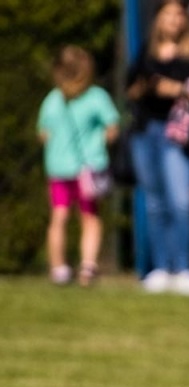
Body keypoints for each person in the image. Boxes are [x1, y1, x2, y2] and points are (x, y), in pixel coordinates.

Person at [126, 0, 189, 295]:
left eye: (179, 15)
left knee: (180, 201)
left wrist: (177, 89)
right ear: (158, 20)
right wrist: (147, 87)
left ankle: (184, 268)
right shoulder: (147, 52)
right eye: (169, 15)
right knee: (154, 202)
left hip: (179, 134)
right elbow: (132, 88)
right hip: (146, 130)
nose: (174, 20)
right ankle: (161, 268)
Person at [36, 46, 120, 287]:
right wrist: (97, 142)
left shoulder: (52, 99)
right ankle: (88, 267)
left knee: (59, 216)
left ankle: (58, 268)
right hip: (89, 168)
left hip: (58, 168)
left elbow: (43, 134)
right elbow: (112, 129)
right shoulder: (96, 97)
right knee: (90, 217)